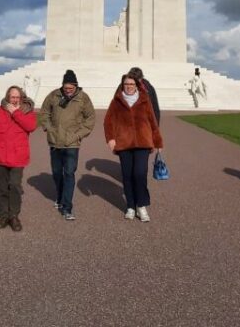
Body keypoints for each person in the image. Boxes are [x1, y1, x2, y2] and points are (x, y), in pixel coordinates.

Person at [104, 74, 164, 222]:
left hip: (143, 142)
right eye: (126, 84)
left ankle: (141, 206)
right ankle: (131, 206)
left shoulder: (144, 100)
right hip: (124, 144)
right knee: (127, 175)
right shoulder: (117, 101)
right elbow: (108, 122)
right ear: (122, 85)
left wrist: (158, 142)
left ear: (136, 86)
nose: (129, 86)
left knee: (140, 174)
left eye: (131, 84)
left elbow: (153, 122)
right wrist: (111, 140)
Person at [39, 69, 95, 220]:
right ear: (62, 86)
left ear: (76, 86)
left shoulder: (83, 98)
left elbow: (90, 119)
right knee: (57, 173)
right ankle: (59, 196)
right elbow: (44, 113)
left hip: (72, 144)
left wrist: (78, 135)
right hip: (55, 141)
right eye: (66, 88)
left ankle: (67, 207)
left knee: (69, 173)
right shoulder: (53, 95)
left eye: (71, 88)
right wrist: (48, 129)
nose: (68, 91)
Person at [0, 85, 37, 232]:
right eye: (12, 97)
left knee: (15, 186)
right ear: (8, 97)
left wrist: (16, 113)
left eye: (17, 97)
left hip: (18, 157)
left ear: (22, 97)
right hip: (0, 156)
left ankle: (14, 216)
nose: (15, 100)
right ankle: (4, 215)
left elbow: (31, 126)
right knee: (3, 188)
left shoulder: (27, 111)